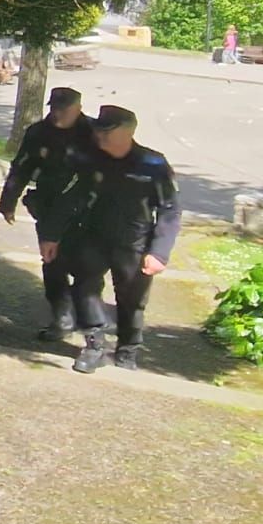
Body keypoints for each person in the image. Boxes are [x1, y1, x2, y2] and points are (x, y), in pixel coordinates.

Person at [44, 105, 181, 374]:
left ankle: (128, 349)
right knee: (85, 288)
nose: (100, 137)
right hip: (94, 235)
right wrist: (51, 235)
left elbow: (170, 209)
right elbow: (70, 196)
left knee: (131, 300)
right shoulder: (90, 158)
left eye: (107, 133)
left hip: (135, 242)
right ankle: (94, 344)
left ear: (126, 133)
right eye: (99, 131)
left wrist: (159, 252)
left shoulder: (153, 163)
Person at [0, 86, 95, 341]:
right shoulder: (39, 132)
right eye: (53, 108)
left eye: (64, 109)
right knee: (53, 262)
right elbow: (22, 166)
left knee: (87, 266)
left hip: (87, 209)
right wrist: (8, 200)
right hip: (49, 205)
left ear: (78, 108)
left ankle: (87, 319)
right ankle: (62, 317)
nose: (57, 114)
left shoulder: (93, 133)